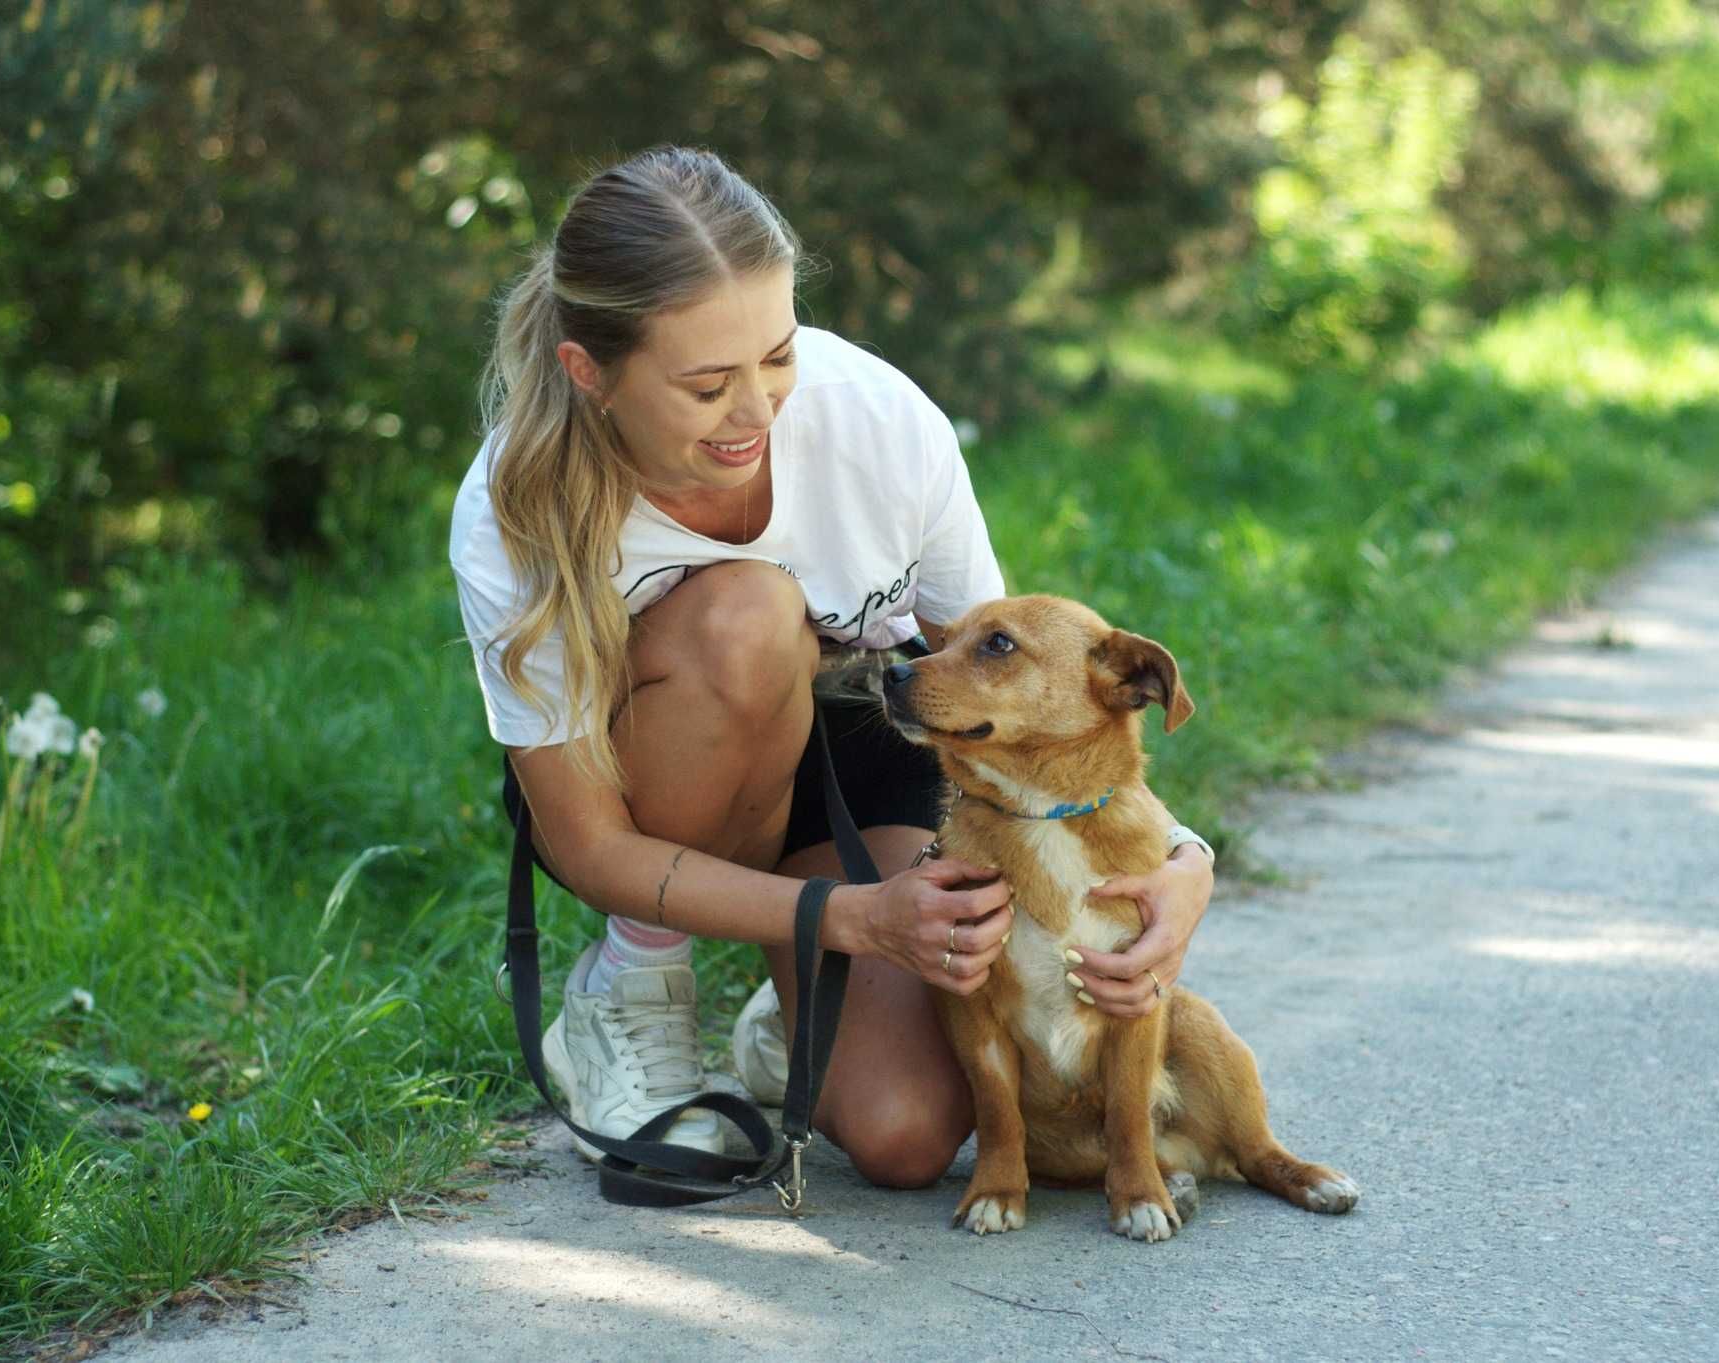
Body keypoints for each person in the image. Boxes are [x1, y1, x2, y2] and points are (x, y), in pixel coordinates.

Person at [449, 145, 1218, 1188]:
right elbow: (584, 843)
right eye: (707, 383)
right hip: (657, 779)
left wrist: (1179, 859)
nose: (759, 412)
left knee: (906, 1134)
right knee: (749, 614)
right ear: (591, 372)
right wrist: (852, 918)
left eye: (777, 355)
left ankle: (785, 1021)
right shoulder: (513, 508)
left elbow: (1019, 690)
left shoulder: (878, 421)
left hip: (858, 744)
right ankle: (633, 986)